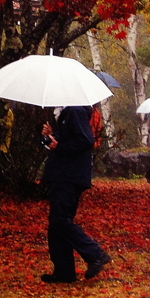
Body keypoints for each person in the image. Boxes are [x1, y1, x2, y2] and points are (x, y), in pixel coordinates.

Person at [39, 105, 112, 283]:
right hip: (64, 174)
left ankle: (95, 254)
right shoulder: (68, 112)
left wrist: (60, 146)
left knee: (60, 221)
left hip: (69, 176)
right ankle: (64, 271)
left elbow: (85, 140)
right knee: (57, 224)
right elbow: (66, 140)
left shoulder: (76, 110)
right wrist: (50, 136)